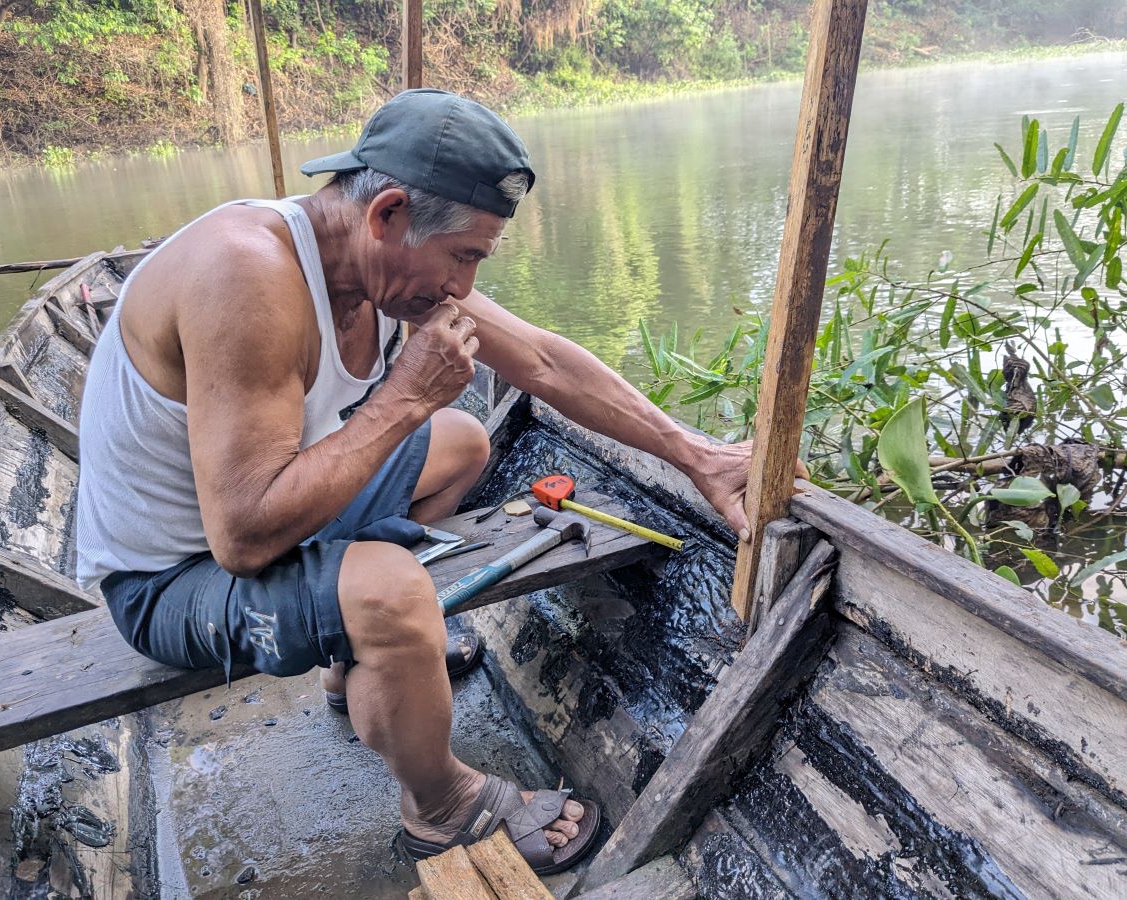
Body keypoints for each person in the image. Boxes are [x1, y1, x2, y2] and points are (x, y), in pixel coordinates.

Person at [76, 89, 787, 874]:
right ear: (384, 214)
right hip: (172, 580)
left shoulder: (380, 265)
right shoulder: (246, 275)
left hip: (273, 521)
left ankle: (357, 664)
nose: (464, 286)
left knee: (460, 441)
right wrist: (405, 394)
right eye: (465, 257)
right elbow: (242, 536)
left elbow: (543, 362)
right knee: (394, 589)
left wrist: (697, 454)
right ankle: (440, 805)